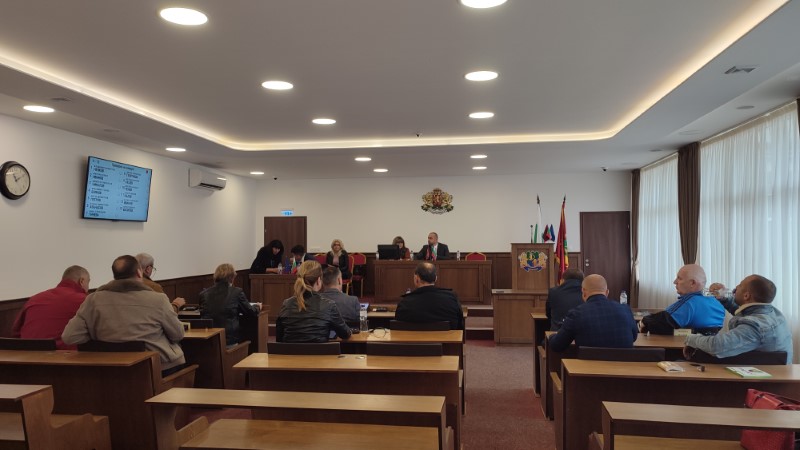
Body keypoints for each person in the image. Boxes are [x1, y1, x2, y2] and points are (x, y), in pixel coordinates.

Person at [62, 255, 186, 375]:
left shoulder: (93, 300)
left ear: (115, 275)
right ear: (139, 273)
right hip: (156, 369)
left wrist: (102, 339)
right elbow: (177, 334)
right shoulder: (158, 299)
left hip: (110, 372)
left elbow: (70, 337)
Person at [685, 275, 793, 363]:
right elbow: (743, 312)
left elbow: (716, 346)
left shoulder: (755, 326)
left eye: (740, 285)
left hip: (763, 380)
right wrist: (723, 298)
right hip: (768, 371)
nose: (736, 286)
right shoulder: (771, 312)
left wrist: (690, 339)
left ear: (746, 296)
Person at [548, 274, 639, 352]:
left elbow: (557, 345)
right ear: (607, 292)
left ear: (583, 292)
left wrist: (552, 336)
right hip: (623, 366)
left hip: (589, 366)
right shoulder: (625, 309)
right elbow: (634, 337)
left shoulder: (576, 314)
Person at [11, 265, 90, 350]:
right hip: (63, 355)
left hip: (26, 353)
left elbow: (16, 332)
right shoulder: (85, 300)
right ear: (81, 281)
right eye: (88, 282)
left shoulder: (34, 299)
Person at [276, 260, 352, 343]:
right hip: (320, 351)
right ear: (319, 280)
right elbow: (345, 334)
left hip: (290, 351)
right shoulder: (329, 305)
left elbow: (279, 339)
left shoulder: (286, 304)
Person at [640, 264, 725, 335]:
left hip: (685, 347)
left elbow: (664, 322)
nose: (675, 282)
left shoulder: (689, 302)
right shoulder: (717, 303)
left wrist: (644, 321)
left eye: (679, 278)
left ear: (692, 283)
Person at [199, 263, 261, 346]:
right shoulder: (237, 292)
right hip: (229, 340)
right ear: (232, 278)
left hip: (209, 340)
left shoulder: (204, 294)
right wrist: (257, 306)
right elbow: (251, 311)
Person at [395, 262, 464, 330]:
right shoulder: (451, 298)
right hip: (446, 337)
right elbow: (459, 325)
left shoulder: (404, 302)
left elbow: (398, 327)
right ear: (436, 278)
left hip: (414, 337)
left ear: (416, 278)